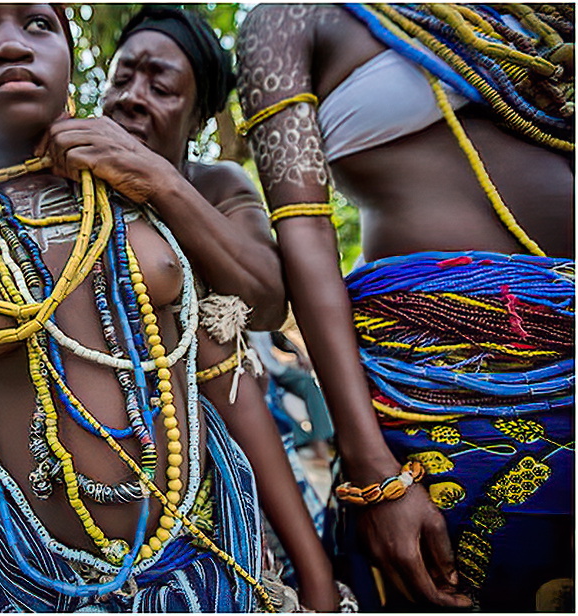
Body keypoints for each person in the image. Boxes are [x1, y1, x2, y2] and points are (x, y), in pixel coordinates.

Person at [0, 5, 342, 610]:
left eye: (40, 25)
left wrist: (315, 581)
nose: (11, 46)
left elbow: (230, 384)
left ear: (69, 63)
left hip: (206, 564)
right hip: (27, 579)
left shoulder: (156, 213)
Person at [236, 4, 574, 612]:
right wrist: (375, 473)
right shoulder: (290, 20)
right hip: (434, 414)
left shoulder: (548, 24)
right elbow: (305, 238)